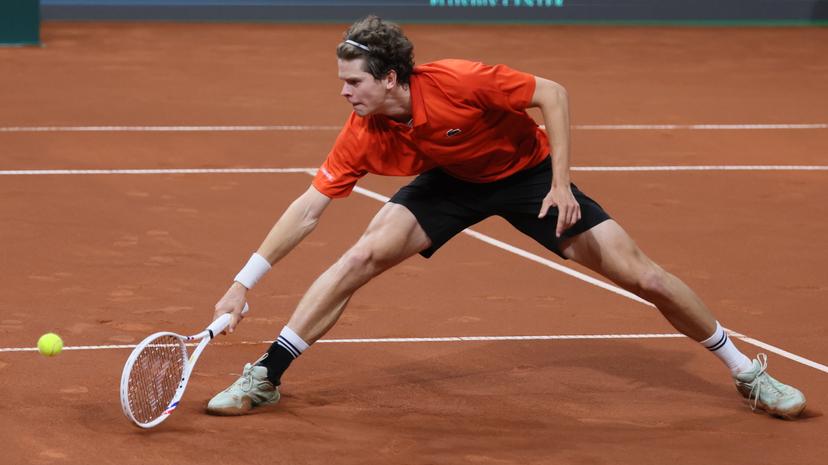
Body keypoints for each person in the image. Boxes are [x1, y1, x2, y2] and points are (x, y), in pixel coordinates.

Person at [205, 16, 806, 419]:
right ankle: (268, 374)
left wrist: (563, 182)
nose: (344, 92)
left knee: (642, 275)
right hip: (451, 183)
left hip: (530, 178)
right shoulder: (363, 131)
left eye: (353, 81)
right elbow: (309, 208)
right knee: (360, 256)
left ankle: (747, 372)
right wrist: (241, 284)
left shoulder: (459, 81)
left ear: (391, 77)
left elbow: (554, 94)